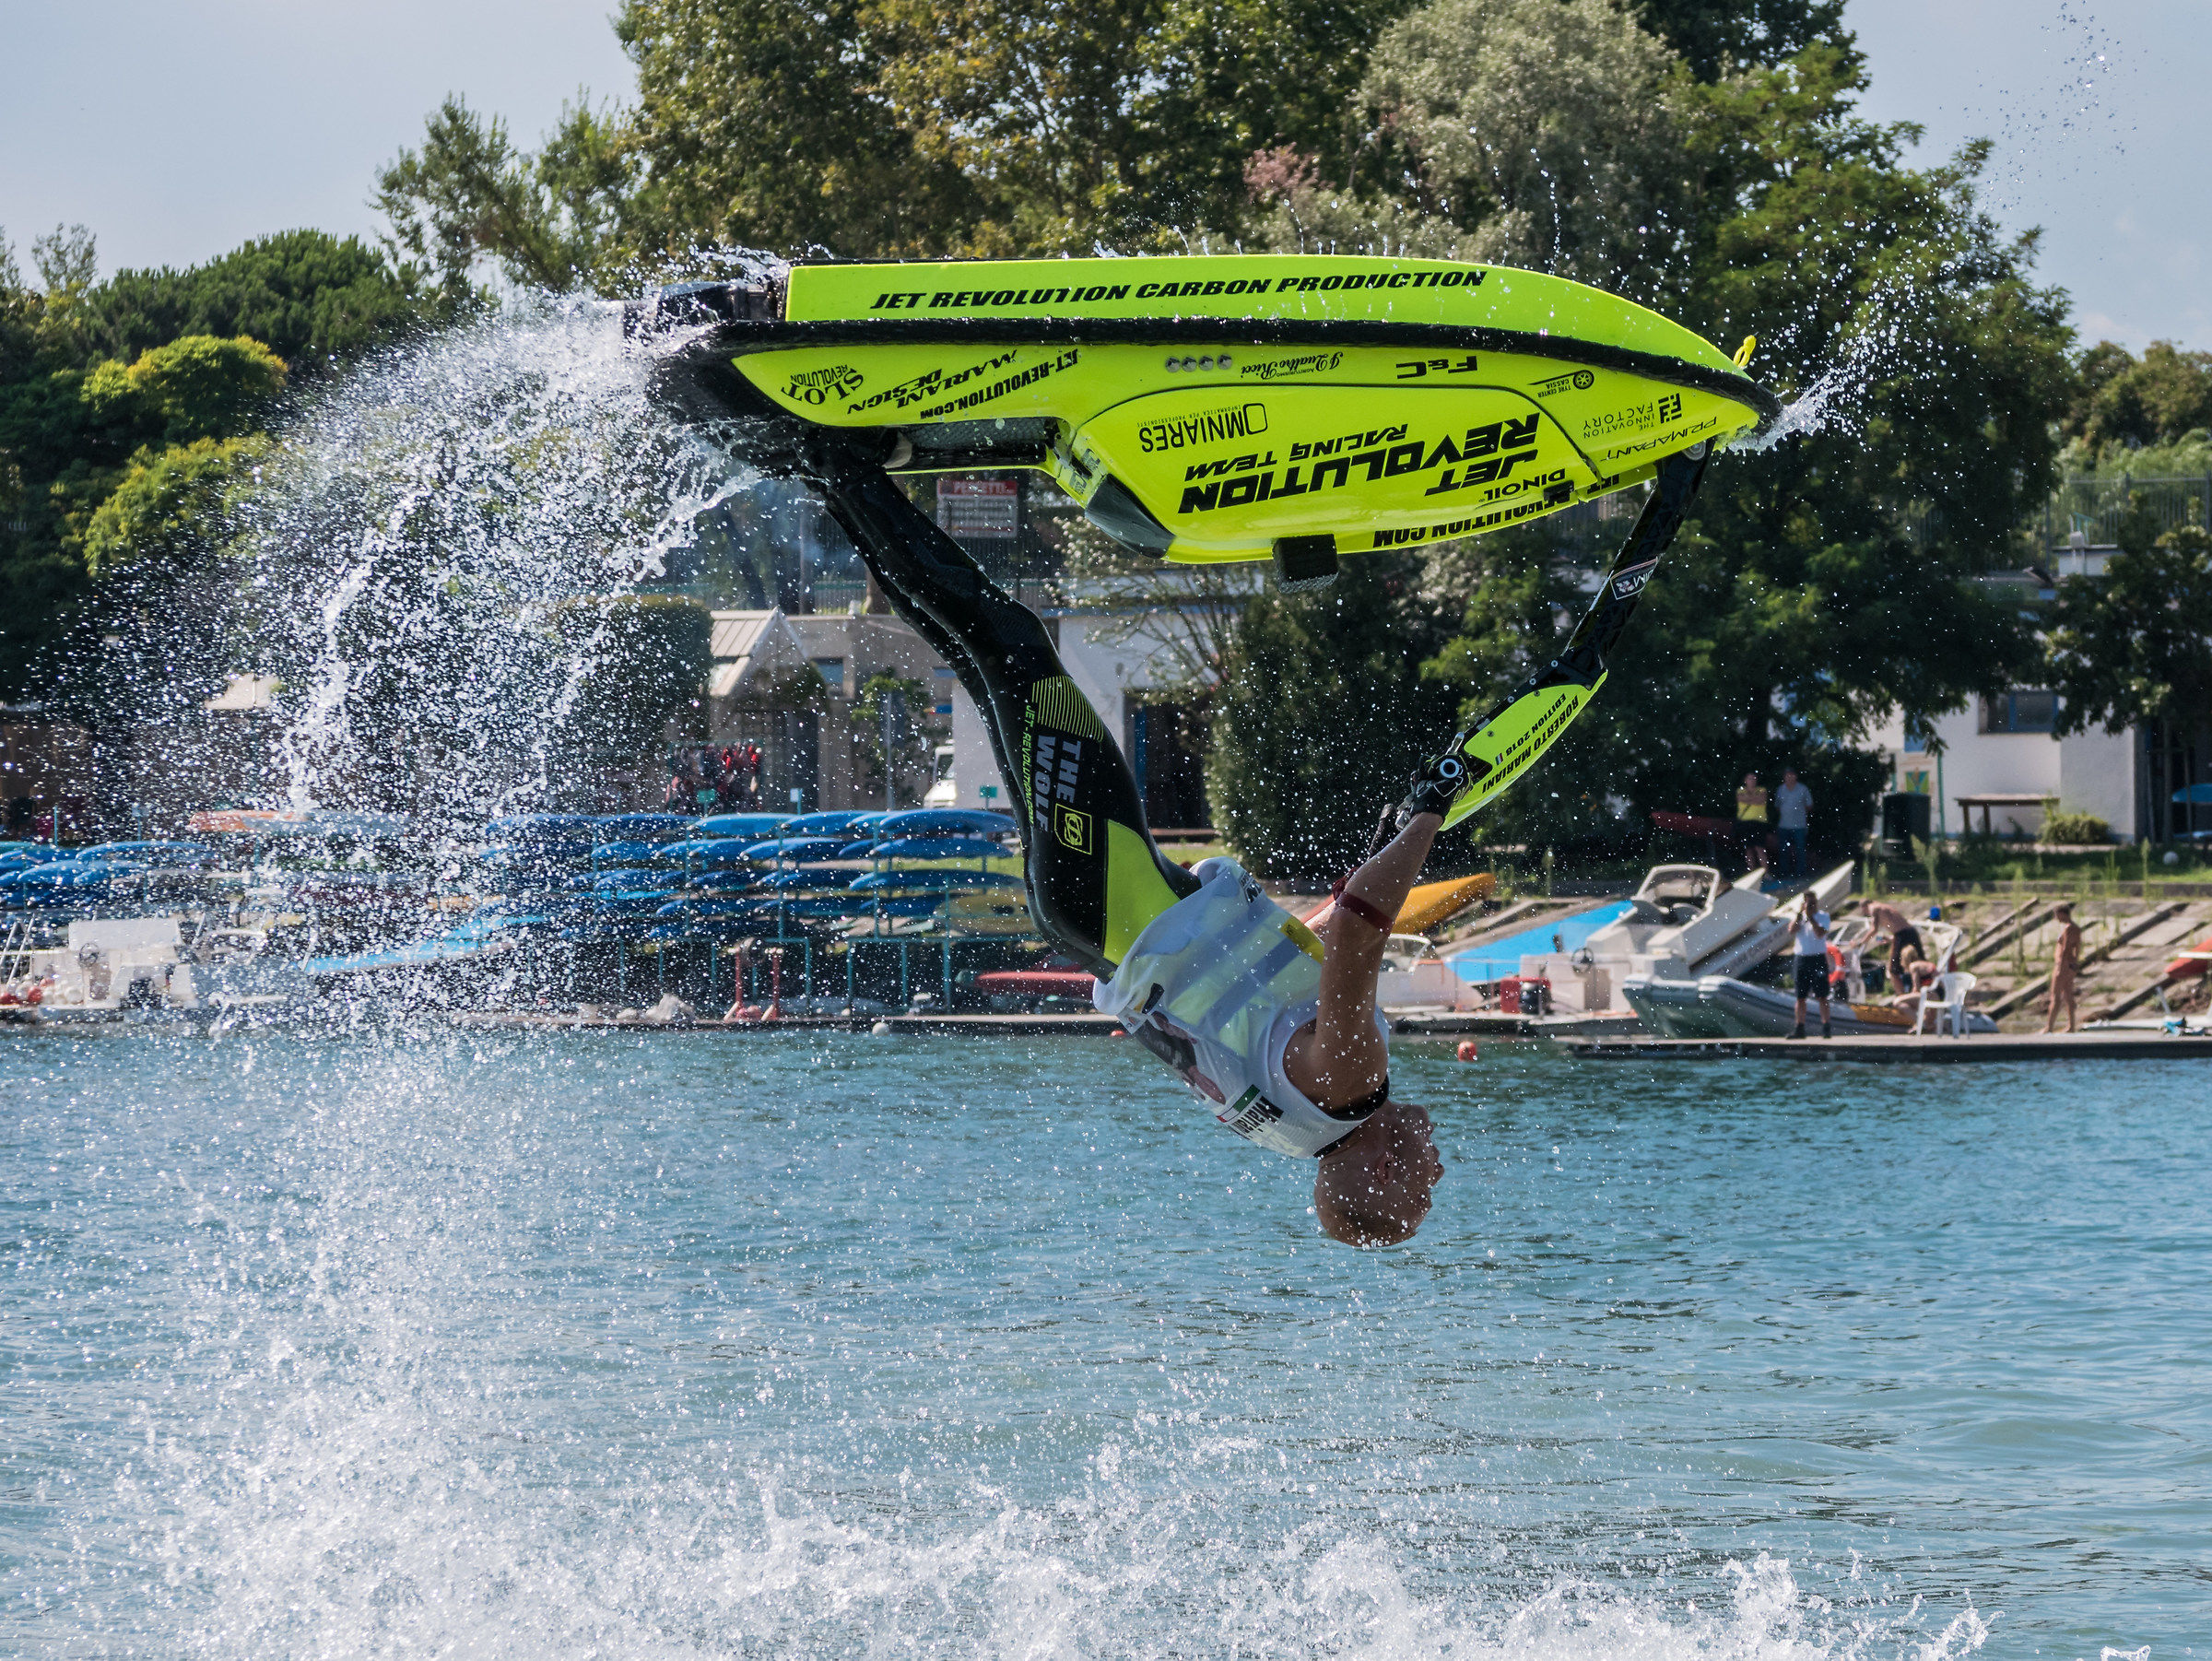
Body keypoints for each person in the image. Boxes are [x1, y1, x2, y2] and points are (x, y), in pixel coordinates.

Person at [786, 430, 1445, 1245]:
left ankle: (830, 459)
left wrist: (1430, 815)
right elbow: (1292, 955)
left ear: (1383, 1171)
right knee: (986, 653)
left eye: (1426, 1185)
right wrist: (1382, 853)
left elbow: (1357, 928)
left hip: (1115, 888)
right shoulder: (1296, 1126)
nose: (1439, 1167)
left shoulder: (1354, 1082)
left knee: (1011, 646)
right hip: (1097, 912)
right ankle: (831, 476)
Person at [1789, 892, 1831, 1039]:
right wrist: (1801, 915)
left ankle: (1826, 1028)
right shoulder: (1798, 917)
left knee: (1822, 996)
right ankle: (1799, 1028)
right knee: (1800, 996)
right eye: (1809, 903)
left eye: (1813, 903)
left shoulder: (1823, 916)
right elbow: (1791, 931)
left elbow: (1820, 933)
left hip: (1818, 958)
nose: (1812, 905)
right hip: (1801, 958)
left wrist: (1811, 917)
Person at [2043, 902, 2083, 1033]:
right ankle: (2071, 1026)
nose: (2056, 917)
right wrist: (2075, 962)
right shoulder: (2076, 928)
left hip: (2063, 965)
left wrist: (2061, 966)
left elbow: (2066, 949)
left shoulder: (2069, 929)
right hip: (2070, 965)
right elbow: (2078, 948)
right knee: (2068, 995)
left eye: (2057, 914)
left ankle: (2049, 1027)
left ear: (2063, 914)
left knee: (2055, 996)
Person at [1773, 768, 1812, 878]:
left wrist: (1798, 812)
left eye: (1792, 775)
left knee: (1800, 850)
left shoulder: (1803, 789)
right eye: (1787, 775)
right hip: (1784, 826)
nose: (1789, 777)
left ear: (1796, 776)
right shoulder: (1780, 789)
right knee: (1783, 851)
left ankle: (1800, 873)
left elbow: (1809, 805)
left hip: (1799, 825)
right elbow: (1777, 806)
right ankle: (1784, 873)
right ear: (1784, 777)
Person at [1735, 772, 1771, 869]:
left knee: (1760, 848)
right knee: (1748, 849)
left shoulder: (1761, 790)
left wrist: (1749, 798)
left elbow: (1761, 800)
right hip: (1745, 823)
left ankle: (1765, 872)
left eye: (1754, 779)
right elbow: (1741, 799)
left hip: (1759, 823)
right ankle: (1751, 871)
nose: (1752, 781)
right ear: (1745, 780)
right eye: (1750, 779)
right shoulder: (1740, 790)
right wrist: (1754, 798)